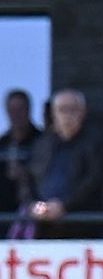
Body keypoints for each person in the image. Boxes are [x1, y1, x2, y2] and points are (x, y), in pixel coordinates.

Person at [27, 89, 103, 239]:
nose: (67, 115)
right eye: (62, 110)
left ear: (83, 112)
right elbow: (29, 179)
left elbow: (94, 179)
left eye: (72, 109)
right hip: (45, 227)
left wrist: (64, 205)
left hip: (83, 227)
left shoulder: (94, 143)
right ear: (53, 113)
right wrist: (33, 204)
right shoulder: (42, 144)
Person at [0, 90, 43, 233]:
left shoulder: (42, 141)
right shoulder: (3, 143)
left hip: (35, 211)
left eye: (20, 109)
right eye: (12, 110)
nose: (16, 115)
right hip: (4, 210)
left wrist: (26, 172)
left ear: (28, 109)